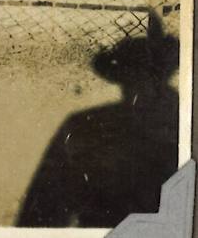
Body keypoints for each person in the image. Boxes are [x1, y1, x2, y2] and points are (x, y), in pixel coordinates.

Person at [15, 13, 179, 227]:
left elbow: (40, 215)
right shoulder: (183, 122)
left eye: (145, 76)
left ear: (119, 75)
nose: (142, 85)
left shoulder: (85, 124)